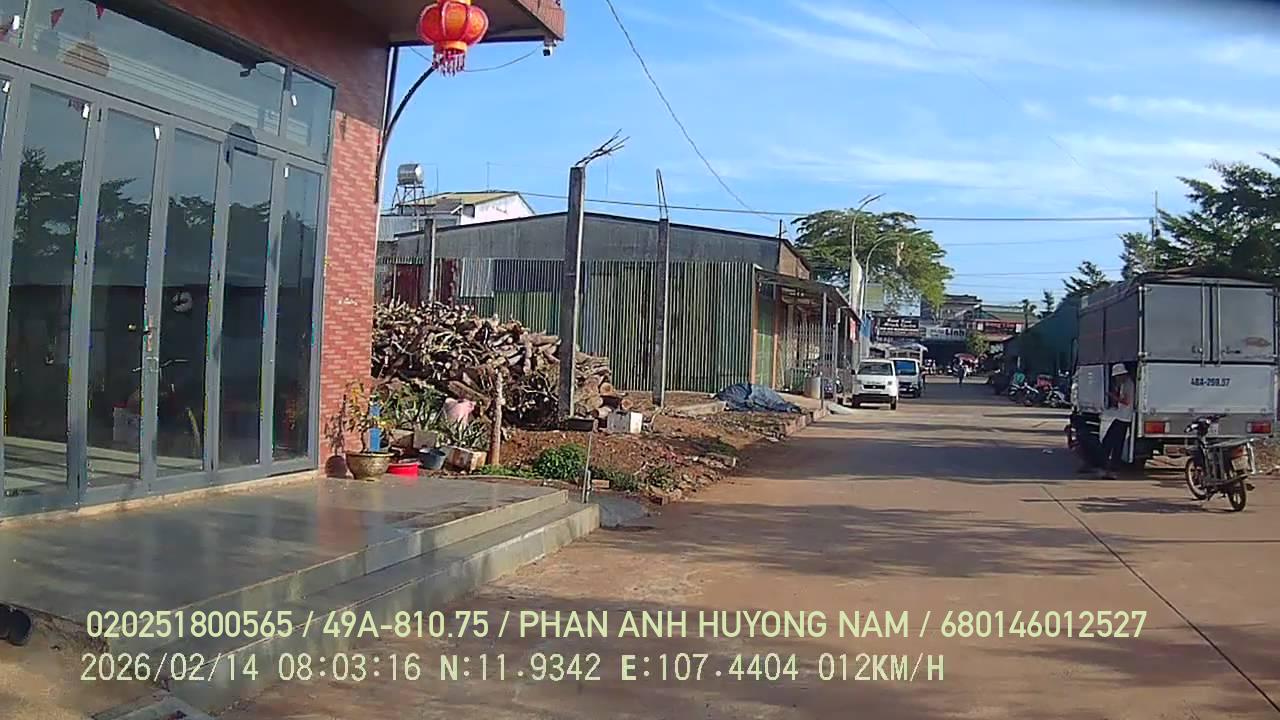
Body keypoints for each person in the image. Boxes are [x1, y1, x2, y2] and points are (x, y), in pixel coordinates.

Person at [1099, 363, 1135, 479]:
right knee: (1114, 442)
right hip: (1121, 416)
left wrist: (1113, 396)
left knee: (1111, 442)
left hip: (1124, 418)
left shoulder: (1128, 385)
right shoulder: (1125, 384)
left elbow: (1127, 401)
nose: (1116, 379)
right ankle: (1111, 466)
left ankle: (1111, 467)